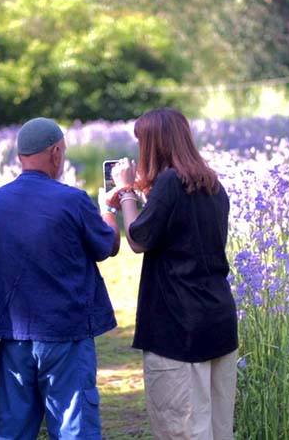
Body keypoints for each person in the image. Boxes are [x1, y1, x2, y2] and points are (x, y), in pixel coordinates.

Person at [0, 117, 121, 440]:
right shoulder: (73, 200)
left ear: (21, 156)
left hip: (10, 339)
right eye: (62, 151)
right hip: (66, 334)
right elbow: (108, 245)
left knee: (12, 430)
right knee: (73, 428)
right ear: (54, 153)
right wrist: (109, 206)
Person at [106, 107, 238, 440]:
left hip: (179, 326)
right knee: (217, 429)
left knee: (181, 429)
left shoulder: (169, 183)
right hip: (218, 318)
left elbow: (138, 238)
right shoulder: (211, 185)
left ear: (153, 144)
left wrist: (125, 194)